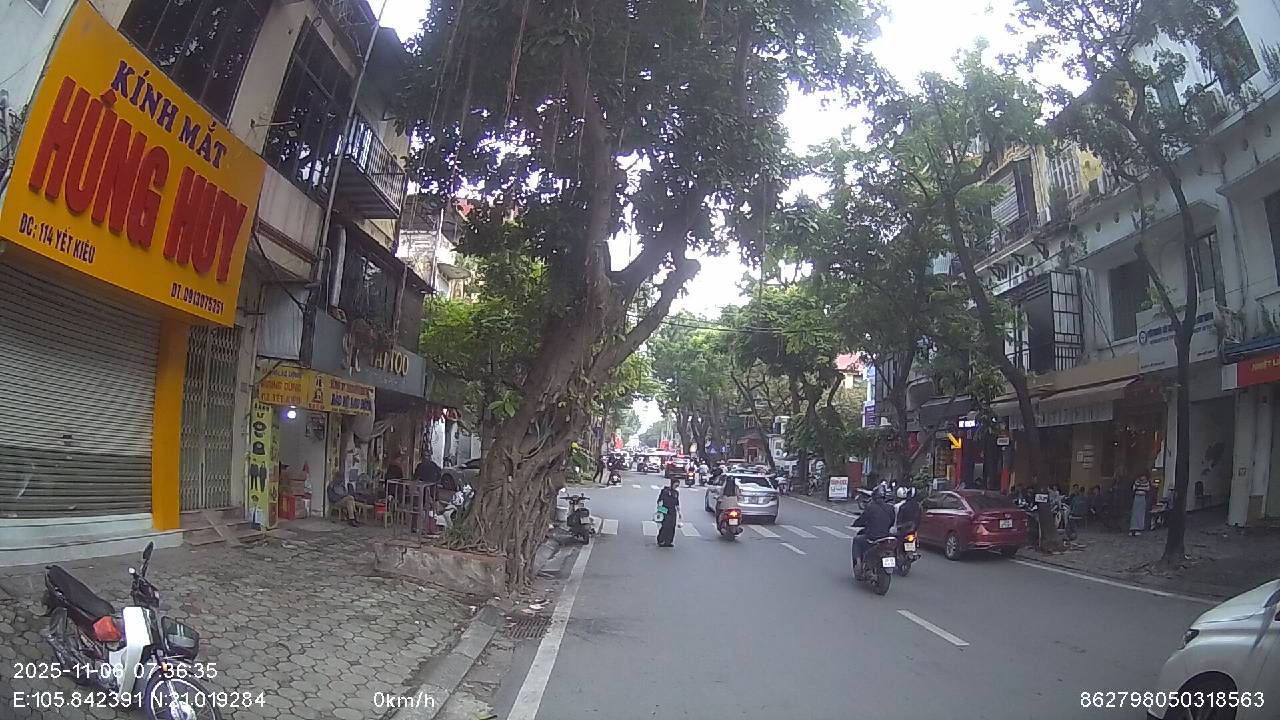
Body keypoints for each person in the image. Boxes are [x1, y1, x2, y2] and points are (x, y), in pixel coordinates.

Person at [851, 485, 894, 569]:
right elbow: (892, 521)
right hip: (886, 536)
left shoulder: (870, 507)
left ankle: (858, 564)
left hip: (872, 537)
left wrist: (855, 524)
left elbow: (862, 519)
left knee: (856, 540)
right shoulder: (890, 508)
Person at [656, 478, 681, 547]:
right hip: (665, 510)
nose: (676, 487)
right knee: (665, 525)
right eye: (676, 485)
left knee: (672, 526)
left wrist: (679, 512)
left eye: (677, 486)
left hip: (673, 511)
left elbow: (677, 503)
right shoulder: (665, 491)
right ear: (672, 484)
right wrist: (659, 510)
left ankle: (669, 541)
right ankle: (661, 540)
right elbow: (659, 500)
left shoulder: (676, 493)